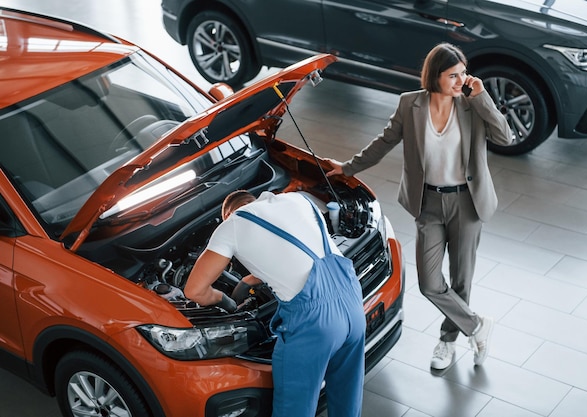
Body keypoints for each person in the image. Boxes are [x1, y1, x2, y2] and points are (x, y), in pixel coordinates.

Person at [325, 42, 512, 370]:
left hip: (467, 203)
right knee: (429, 282)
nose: (460, 81)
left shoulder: (472, 105)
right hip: (428, 202)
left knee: (461, 279)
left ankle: (448, 341)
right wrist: (347, 167)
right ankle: (478, 326)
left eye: (463, 74)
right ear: (434, 77)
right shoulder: (410, 105)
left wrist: (482, 96)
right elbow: (384, 141)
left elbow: (505, 137)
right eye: (453, 75)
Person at [184, 190, 366, 417]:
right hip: (352, 300)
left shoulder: (233, 224)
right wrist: (248, 279)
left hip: (313, 322)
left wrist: (225, 300)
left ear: (228, 213)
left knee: (294, 408)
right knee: (347, 401)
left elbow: (194, 290)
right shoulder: (298, 199)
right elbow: (292, 253)